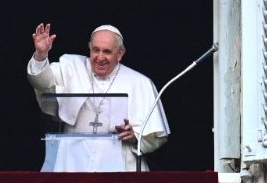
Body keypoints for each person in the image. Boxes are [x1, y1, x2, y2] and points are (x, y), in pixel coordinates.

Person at [27, 23, 169, 171]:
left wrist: (134, 136)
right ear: (89, 48)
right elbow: (42, 84)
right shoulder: (71, 66)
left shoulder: (140, 82)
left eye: (107, 51)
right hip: (72, 160)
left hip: (119, 163)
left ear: (120, 53)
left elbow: (155, 136)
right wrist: (41, 56)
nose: (100, 57)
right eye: (95, 50)